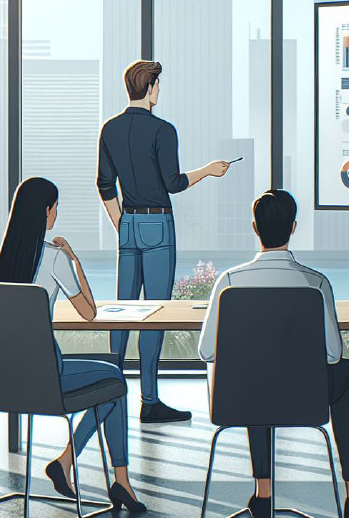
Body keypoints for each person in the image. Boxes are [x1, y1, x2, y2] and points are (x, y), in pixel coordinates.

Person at [198, 190, 349, 518]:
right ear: (293, 228)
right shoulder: (316, 283)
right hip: (303, 399)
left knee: (252, 368)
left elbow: (206, 352)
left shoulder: (229, 282)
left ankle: (262, 492)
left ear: (255, 228)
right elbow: (334, 355)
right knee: (345, 373)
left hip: (242, 398)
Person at [0, 177, 145, 512]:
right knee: (115, 381)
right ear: (46, 211)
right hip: (46, 376)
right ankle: (95, 471)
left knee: (109, 382)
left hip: (2, 380)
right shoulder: (54, 258)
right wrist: (74, 260)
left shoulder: (4, 263)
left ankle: (79, 467)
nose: (56, 212)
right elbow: (90, 313)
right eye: (56, 206)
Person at [97, 59, 231, 424]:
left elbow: (105, 184)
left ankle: (110, 388)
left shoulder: (109, 129)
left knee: (123, 310)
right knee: (154, 313)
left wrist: (119, 222)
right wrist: (208, 170)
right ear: (151, 88)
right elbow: (173, 182)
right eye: (158, 85)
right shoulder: (163, 130)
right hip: (157, 223)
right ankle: (150, 399)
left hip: (127, 224)